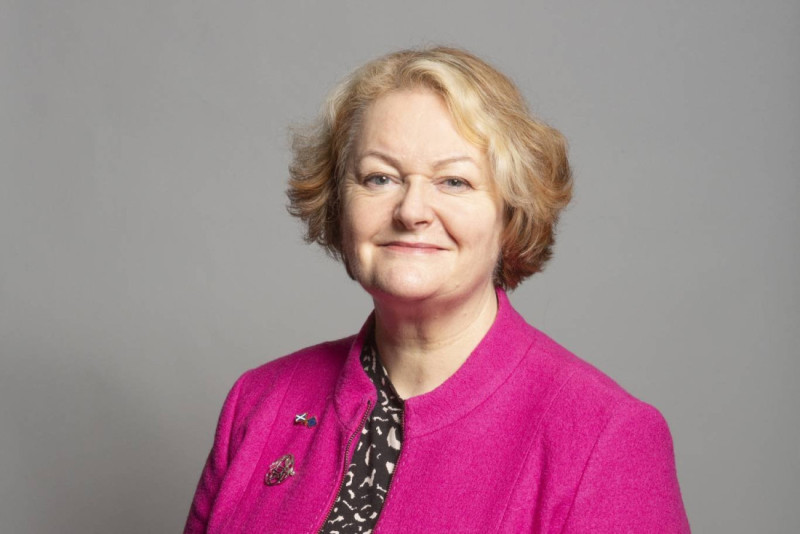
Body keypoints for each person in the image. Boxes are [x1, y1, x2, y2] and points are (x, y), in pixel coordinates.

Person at [184, 46, 690, 533]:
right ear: (339, 205)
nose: (411, 211)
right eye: (380, 178)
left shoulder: (605, 436)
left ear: (511, 214)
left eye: (454, 182)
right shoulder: (259, 403)